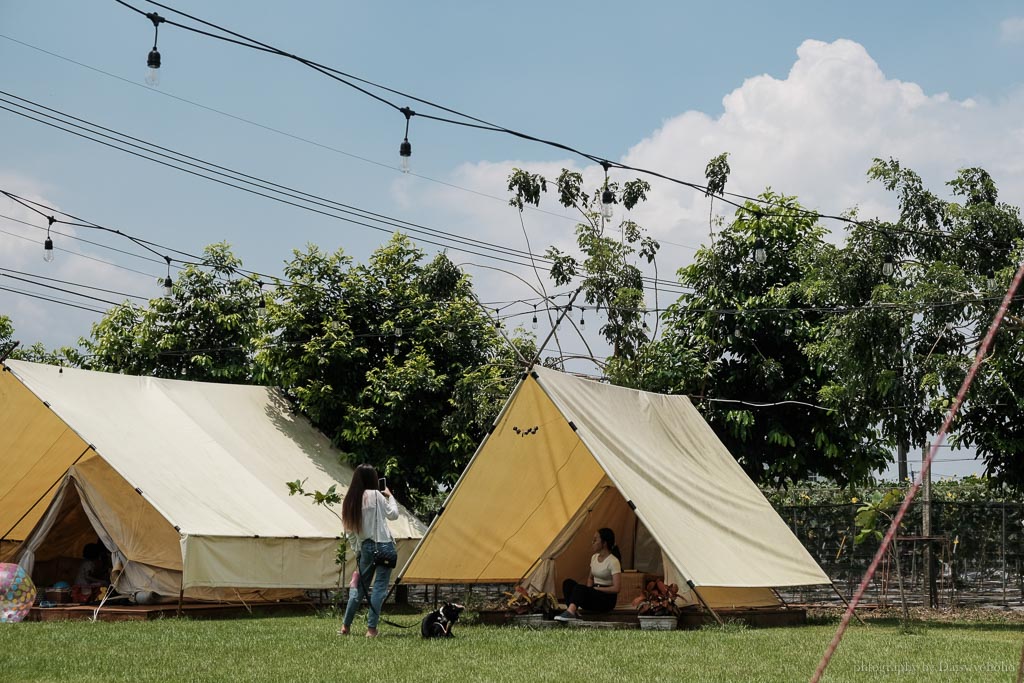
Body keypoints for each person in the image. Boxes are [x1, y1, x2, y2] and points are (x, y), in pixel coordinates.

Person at [339, 464, 399, 638]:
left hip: (366, 547)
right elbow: (393, 515)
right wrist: (390, 496)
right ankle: (371, 629)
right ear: (373, 479)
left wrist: (358, 551)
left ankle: (346, 626)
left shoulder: (351, 499)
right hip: (384, 546)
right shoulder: (376, 495)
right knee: (379, 587)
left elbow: (350, 532)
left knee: (359, 585)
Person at [554, 527, 622, 621]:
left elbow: (617, 588)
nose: (592, 542)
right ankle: (573, 611)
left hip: (606, 600)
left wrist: (596, 589)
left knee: (580, 588)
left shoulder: (613, 561)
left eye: (595, 540)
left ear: (604, 543)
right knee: (568, 583)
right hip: (595, 593)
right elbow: (590, 578)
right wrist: (589, 590)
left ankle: (570, 612)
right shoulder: (594, 557)